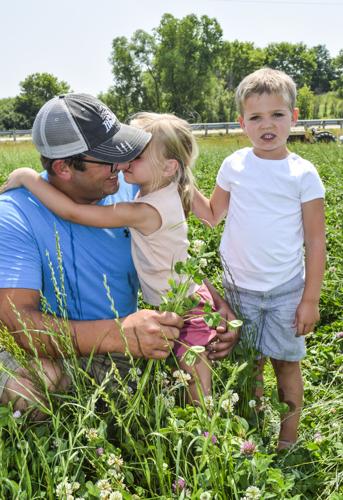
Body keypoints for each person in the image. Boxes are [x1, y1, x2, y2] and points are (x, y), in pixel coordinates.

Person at [2, 112, 238, 402]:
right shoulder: (13, 214)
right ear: (63, 167)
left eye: (126, 152)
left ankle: (205, 431)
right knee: (31, 390)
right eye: (108, 156)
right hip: (64, 349)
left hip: (131, 343)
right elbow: (20, 325)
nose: (122, 164)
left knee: (182, 384)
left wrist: (217, 304)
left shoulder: (133, 186)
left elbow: (171, 252)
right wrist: (119, 334)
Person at [192, 68, 326, 450]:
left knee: (286, 364)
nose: (267, 125)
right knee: (248, 365)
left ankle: (287, 441)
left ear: (294, 117)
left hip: (286, 290)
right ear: (241, 123)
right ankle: (250, 434)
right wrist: (180, 183)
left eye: (277, 115)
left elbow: (316, 242)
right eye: (256, 117)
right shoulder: (234, 165)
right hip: (239, 289)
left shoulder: (303, 174)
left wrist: (310, 300)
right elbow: (212, 215)